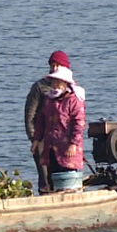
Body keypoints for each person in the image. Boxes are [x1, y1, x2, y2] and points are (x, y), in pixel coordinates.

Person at [31, 65, 86, 193]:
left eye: (58, 83)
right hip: (51, 146)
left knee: (67, 175)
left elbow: (79, 124)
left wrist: (73, 144)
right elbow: (41, 121)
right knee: (52, 175)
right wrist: (36, 140)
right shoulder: (49, 100)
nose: (55, 85)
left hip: (67, 148)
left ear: (65, 84)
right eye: (53, 82)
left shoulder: (74, 101)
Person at [24, 51, 70, 194]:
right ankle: (45, 196)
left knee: (62, 171)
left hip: (61, 137)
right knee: (44, 175)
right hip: (42, 136)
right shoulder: (40, 87)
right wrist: (34, 138)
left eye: (58, 65)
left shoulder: (69, 88)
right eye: (52, 65)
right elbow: (30, 114)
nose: (55, 67)